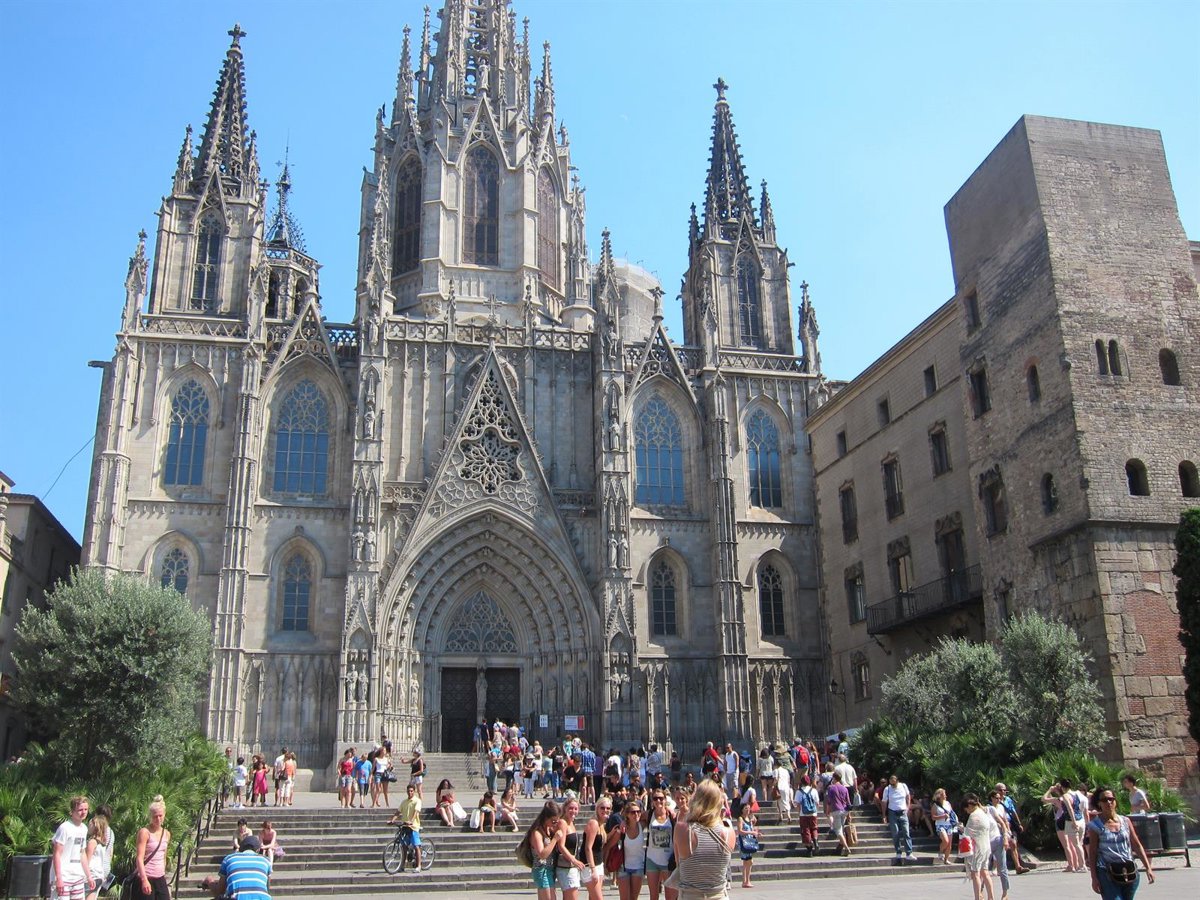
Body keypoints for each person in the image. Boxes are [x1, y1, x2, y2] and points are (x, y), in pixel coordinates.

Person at [1087, 785, 1155, 900]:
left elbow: (1136, 845)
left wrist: (1148, 868)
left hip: (1129, 870)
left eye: (1111, 799)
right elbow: (1093, 852)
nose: (1108, 802)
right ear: (1099, 803)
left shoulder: (1125, 821)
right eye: (1104, 800)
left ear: (1115, 801)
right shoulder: (1095, 825)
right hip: (1106, 872)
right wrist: (1094, 877)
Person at [673, 779, 736, 900]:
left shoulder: (681, 829)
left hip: (690, 895)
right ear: (719, 803)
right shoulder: (729, 833)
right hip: (719, 895)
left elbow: (678, 864)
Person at [604, 797, 647, 900]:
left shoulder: (642, 825)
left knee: (634, 898)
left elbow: (650, 812)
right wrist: (605, 865)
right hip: (623, 867)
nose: (636, 814)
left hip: (638, 867)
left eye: (638, 812)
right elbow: (608, 846)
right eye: (633, 812)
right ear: (627, 814)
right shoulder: (622, 830)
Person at [53, 795, 92, 900]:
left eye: (86, 809)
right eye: (80, 810)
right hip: (64, 876)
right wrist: (58, 878)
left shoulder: (84, 828)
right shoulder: (65, 828)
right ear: (72, 811)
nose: (83, 812)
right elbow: (57, 854)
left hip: (77, 876)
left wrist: (89, 876)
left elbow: (82, 853)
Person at [134, 795, 171, 900]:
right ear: (151, 816)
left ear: (164, 815)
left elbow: (164, 856)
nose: (158, 819)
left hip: (160, 878)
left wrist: (163, 871)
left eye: (160, 816)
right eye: (155, 816)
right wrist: (144, 880)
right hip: (147, 877)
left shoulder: (166, 834)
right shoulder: (145, 832)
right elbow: (139, 858)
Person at [526, 801, 565, 900]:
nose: (555, 824)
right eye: (553, 821)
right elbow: (542, 854)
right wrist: (554, 839)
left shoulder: (548, 829)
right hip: (541, 869)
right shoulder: (537, 833)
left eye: (557, 821)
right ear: (546, 818)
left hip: (549, 869)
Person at [216, 834, 271, 900]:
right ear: (258, 850)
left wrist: (209, 881)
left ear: (241, 848)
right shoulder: (265, 860)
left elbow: (220, 891)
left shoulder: (229, 858)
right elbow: (267, 887)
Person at [962, 794, 996, 900]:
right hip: (986, 846)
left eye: (966, 809)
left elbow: (968, 833)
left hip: (977, 848)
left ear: (969, 805)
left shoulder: (974, 816)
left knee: (975, 873)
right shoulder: (983, 813)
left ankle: (977, 897)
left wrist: (961, 828)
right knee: (985, 872)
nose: (967, 811)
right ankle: (991, 897)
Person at [1043, 782, 1082, 872]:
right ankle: (1075, 864)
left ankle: (1071, 865)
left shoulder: (1057, 800)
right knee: (1072, 844)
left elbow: (1044, 798)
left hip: (1060, 821)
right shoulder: (1070, 797)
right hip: (1068, 819)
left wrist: (1049, 790)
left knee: (1066, 845)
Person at [555, 797, 589, 900]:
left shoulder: (571, 823)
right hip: (566, 867)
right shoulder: (563, 823)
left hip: (571, 867)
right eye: (570, 808)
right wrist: (574, 861)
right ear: (565, 808)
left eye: (575, 808)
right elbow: (561, 846)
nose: (573, 811)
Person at [995, 782, 1034, 874]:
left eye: (1004, 790)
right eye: (1000, 790)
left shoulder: (1008, 799)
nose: (1002, 792)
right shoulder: (993, 802)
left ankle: (1018, 867)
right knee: (1000, 847)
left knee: (1013, 844)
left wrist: (1019, 823)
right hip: (999, 826)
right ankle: (998, 868)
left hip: (1010, 824)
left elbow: (1013, 811)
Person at [645, 789, 676, 900]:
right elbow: (632, 817)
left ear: (665, 800)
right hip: (652, 859)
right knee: (653, 896)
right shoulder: (648, 814)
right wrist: (624, 822)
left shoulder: (672, 815)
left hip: (668, 860)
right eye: (655, 798)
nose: (658, 801)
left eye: (661, 798)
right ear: (652, 801)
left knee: (670, 896)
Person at [388, 784, 423, 872]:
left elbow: (416, 812)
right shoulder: (404, 802)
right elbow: (398, 812)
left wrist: (411, 821)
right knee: (404, 846)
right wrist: (392, 820)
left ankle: (419, 866)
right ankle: (402, 866)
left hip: (413, 826)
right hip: (405, 826)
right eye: (408, 791)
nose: (410, 792)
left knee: (416, 846)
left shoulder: (417, 801)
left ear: (414, 791)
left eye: (411, 791)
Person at [581, 796, 610, 900]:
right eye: (602, 808)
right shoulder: (593, 823)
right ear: (597, 808)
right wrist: (593, 869)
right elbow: (588, 848)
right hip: (590, 866)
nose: (605, 810)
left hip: (598, 863)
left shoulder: (601, 824)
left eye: (608, 808)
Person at [881, 774, 914, 864]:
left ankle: (909, 853)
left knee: (906, 832)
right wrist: (884, 815)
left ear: (897, 781)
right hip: (892, 812)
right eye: (891, 783)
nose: (892, 785)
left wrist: (908, 806)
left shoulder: (903, 786)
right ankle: (898, 852)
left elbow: (908, 796)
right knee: (895, 833)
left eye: (894, 783)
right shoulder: (887, 789)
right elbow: (884, 802)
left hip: (903, 811)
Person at [85, 805, 115, 900]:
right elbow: (110, 853)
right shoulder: (111, 832)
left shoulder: (94, 840)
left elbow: (87, 859)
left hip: (93, 868)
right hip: (104, 868)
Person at [987, 790, 1012, 900]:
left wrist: (1007, 832)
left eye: (999, 798)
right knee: (984, 868)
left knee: (1003, 867)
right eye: (996, 798)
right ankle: (981, 892)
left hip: (1000, 836)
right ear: (991, 798)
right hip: (990, 837)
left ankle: (1005, 893)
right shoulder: (988, 809)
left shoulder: (1001, 807)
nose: (999, 800)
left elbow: (1004, 820)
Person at [825, 770, 852, 857]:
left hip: (836, 810)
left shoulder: (831, 788)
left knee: (838, 831)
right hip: (845, 810)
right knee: (841, 828)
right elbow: (848, 802)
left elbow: (829, 801)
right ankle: (840, 848)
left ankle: (847, 848)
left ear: (834, 778)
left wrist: (828, 811)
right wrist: (849, 815)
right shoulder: (844, 788)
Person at [736, 801, 761, 889]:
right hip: (744, 842)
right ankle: (746, 881)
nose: (747, 810)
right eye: (745, 808)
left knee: (747, 861)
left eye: (748, 808)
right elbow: (740, 831)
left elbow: (752, 829)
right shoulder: (740, 819)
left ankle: (746, 881)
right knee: (748, 861)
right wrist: (751, 832)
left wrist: (756, 833)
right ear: (742, 810)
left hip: (749, 841)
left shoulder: (749, 819)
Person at [795, 774, 820, 856]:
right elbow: (817, 803)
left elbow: (797, 804)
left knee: (806, 830)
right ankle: (815, 841)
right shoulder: (814, 790)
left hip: (803, 814)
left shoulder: (799, 792)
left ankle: (809, 849)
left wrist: (799, 813)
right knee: (814, 828)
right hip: (813, 813)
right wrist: (815, 811)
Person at [931, 788, 955, 865]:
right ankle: (941, 852)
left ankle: (946, 859)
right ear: (939, 795)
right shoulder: (935, 805)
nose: (945, 796)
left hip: (949, 824)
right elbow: (933, 817)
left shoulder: (948, 803)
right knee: (945, 841)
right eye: (944, 794)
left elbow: (952, 813)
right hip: (940, 825)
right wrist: (942, 816)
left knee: (949, 844)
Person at [773, 756, 793, 823]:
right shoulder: (786, 771)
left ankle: (781, 815)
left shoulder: (776, 770)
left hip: (779, 787)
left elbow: (776, 779)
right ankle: (788, 815)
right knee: (786, 801)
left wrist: (773, 785)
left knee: (779, 801)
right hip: (786, 787)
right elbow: (788, 780)